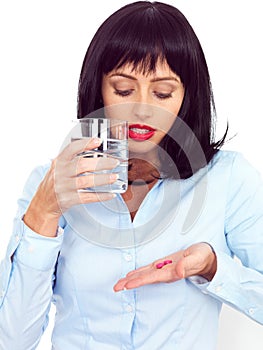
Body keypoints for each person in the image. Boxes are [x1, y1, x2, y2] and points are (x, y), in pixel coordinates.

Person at [0, 1, 263, 349]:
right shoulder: (50, 183)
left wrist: (214, 267)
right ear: (99, 89)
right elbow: (12, 340)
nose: (141, 109)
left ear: (186, 96)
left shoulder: (227, 178)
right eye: (124, 90)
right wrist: (44, 213)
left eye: (162, 92)